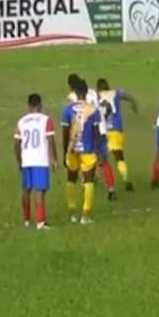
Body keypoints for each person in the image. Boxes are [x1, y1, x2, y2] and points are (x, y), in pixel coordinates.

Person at [66, 74, 117, 201]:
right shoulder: (93, 92)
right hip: (101, 128)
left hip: (86, 132)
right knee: (102, 160)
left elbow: (73, 117)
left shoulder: (72, 97)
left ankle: (87, 183)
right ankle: (111, 189)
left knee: (83, 158)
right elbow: (103, 106)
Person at [14, 93, 58, 230]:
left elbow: (16, 143)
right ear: (40, 105)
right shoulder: (46, 120)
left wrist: (19, 159)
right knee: (39, 190)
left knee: (26, 190)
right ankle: (40, 222)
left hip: (26, 159)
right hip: (40, 159)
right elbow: (50, 140)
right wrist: (54, 158)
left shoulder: (21, 122)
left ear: (28, 105)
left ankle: (27, 220)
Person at [61, 79, 101, 225]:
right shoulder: (92, 110)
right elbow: (96, 132)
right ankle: (85, 215)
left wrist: (65, 150)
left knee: (71, 179)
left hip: (72, 148)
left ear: (75, 92)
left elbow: (65, 131)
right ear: (86, 92)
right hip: (88, 148)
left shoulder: (67, 109)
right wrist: (98, 151)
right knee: (88, 180)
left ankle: (72, 213)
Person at [96, 78, 138, 192]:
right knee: (119, 157)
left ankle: (101, 180)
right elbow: (129, 97)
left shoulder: (96, 97)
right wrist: (134, 105)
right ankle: (126, 180)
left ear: (98, 88)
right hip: (115, 129)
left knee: (101, 158)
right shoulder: (116, 93)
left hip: (102, 130)